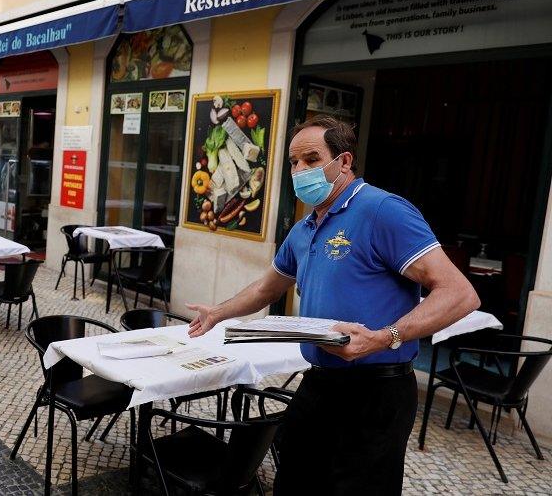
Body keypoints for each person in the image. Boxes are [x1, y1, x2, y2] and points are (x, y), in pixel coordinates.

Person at [185, 116, 479, 495]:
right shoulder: (304, 228)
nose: (300, 170)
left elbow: (459, 293)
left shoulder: (382, 210)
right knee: (293, 481)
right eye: (294, 163)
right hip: (321, 383)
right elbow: (265, 289)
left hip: (378, 392)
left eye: (311, 159)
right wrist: (219, 312)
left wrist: (383, 337)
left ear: (344, 161)